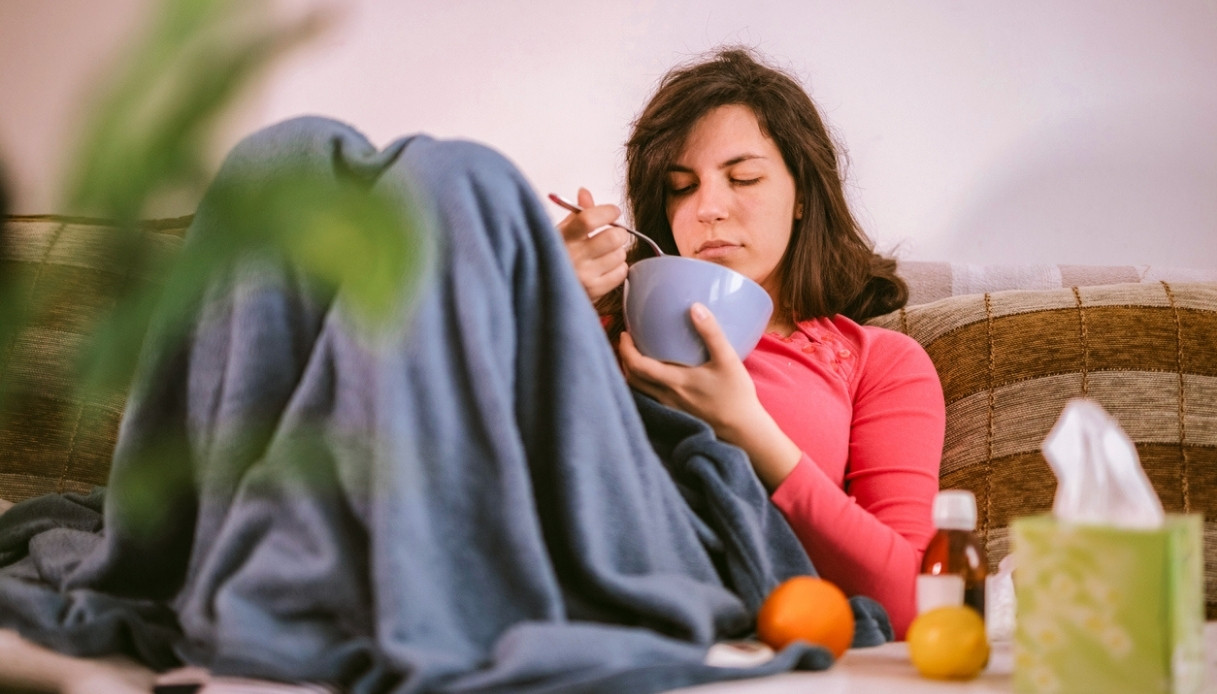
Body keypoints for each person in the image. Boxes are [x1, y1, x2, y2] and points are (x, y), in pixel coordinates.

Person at [556, 47, 946, 638]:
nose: (707, 208)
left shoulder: (877, 363)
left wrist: (747, 429)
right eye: (680, 188)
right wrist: (548, 293)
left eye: (743, 178)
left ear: (803, 197)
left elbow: (911, 602)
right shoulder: (605, 326)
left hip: (744, 620)